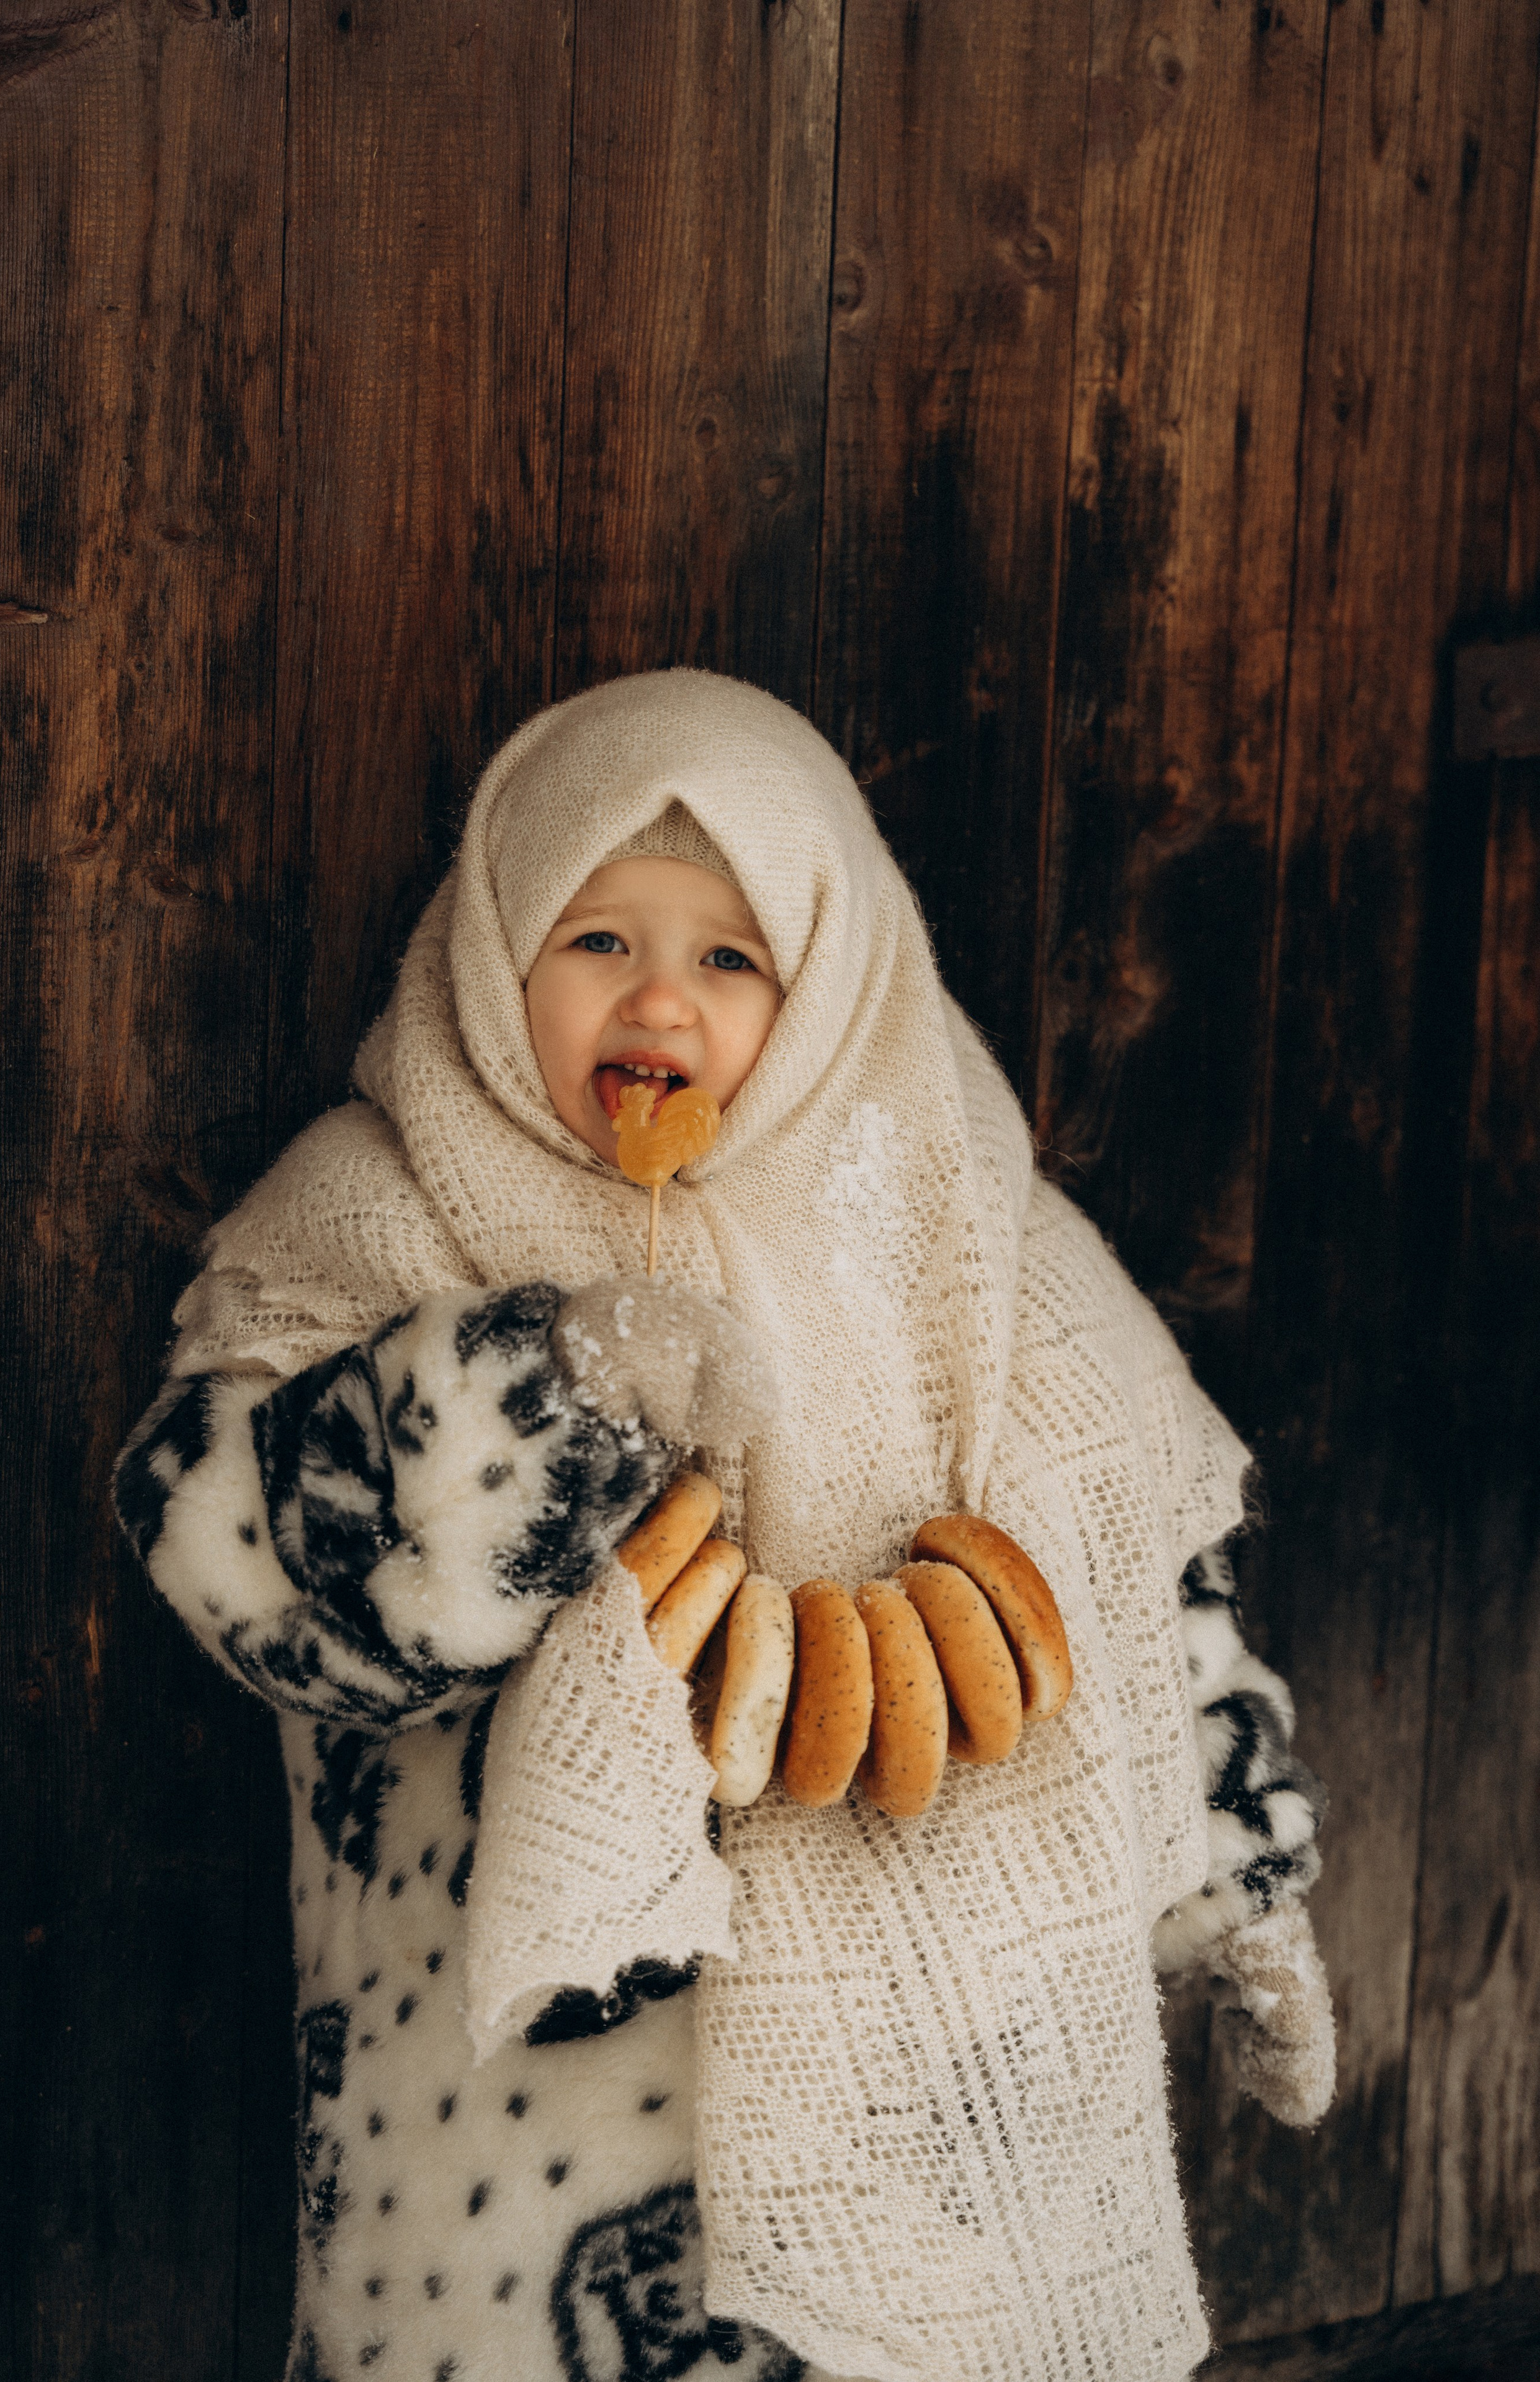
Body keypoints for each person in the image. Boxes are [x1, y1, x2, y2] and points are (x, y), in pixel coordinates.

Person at [114, 670, 1333, 2382]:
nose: (660, 1000)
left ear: (833, 981)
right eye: (599, 939)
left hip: (917, 2113)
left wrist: (1245, 1885)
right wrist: (544, 1389)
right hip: (511, 2173)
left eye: (731, 956)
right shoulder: (376, 1208)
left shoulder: (973, 1244)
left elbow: (1148, 1594)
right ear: (496, 946)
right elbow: (231, 1561)